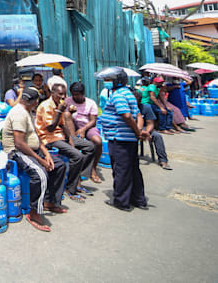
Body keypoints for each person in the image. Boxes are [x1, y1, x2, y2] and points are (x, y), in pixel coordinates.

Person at [2, 88, 67, 231]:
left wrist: (47, 154)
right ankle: (34, 212)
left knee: (60, 165)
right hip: (16, 152)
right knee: (40, 174)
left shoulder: (27, 112)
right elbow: (19, 143)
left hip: (32, 149)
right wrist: (41, 160)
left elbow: (36, 137)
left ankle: (50, 201)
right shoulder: (19, 113)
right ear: (35, 102)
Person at [98, 68, 148, 211]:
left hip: (119, 137)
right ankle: (138, 199)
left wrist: (137, 131)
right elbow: (138, 115)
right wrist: (138, 132)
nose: (107, 83)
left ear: (117, 81)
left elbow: (126, 115)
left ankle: (121, 201)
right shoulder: (129, 94)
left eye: (109, 80)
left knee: (121, 170)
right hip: (129, 138)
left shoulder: (119, 95)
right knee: (132, 169)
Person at [35, 84, 95, 203]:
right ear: (52, 93)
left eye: (64, 94)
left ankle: (78, 178)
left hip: (61, 136)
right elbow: (50, 128)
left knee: (90, 146)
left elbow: (62, 125)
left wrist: (71, 140)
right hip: (49, 138)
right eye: (60, 94)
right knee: (77, 156)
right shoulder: (46, 106)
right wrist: (59, 111)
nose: (63, 97)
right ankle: (70, 188)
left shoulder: (60, 104)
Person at [65, 82, 103, 184]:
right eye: (73, 94)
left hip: (87, 126)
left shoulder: (90, 103)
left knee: (98, 142)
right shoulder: (68, 101)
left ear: (83, 93)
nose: (75, 97)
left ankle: (93, 168)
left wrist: (83, 129)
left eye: (77, 94)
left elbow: (93, 121)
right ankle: (78, 171)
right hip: (72, 125)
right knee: (74, 144)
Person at [133, 90, 172, 170]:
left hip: (144, 128)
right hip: (131, 129)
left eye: (135, 100)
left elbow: (150, 123)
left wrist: (147, 133)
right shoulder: (126, 108)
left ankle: (163, 160)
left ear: (140, 101)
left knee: (157, 136)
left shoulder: (146, 108)